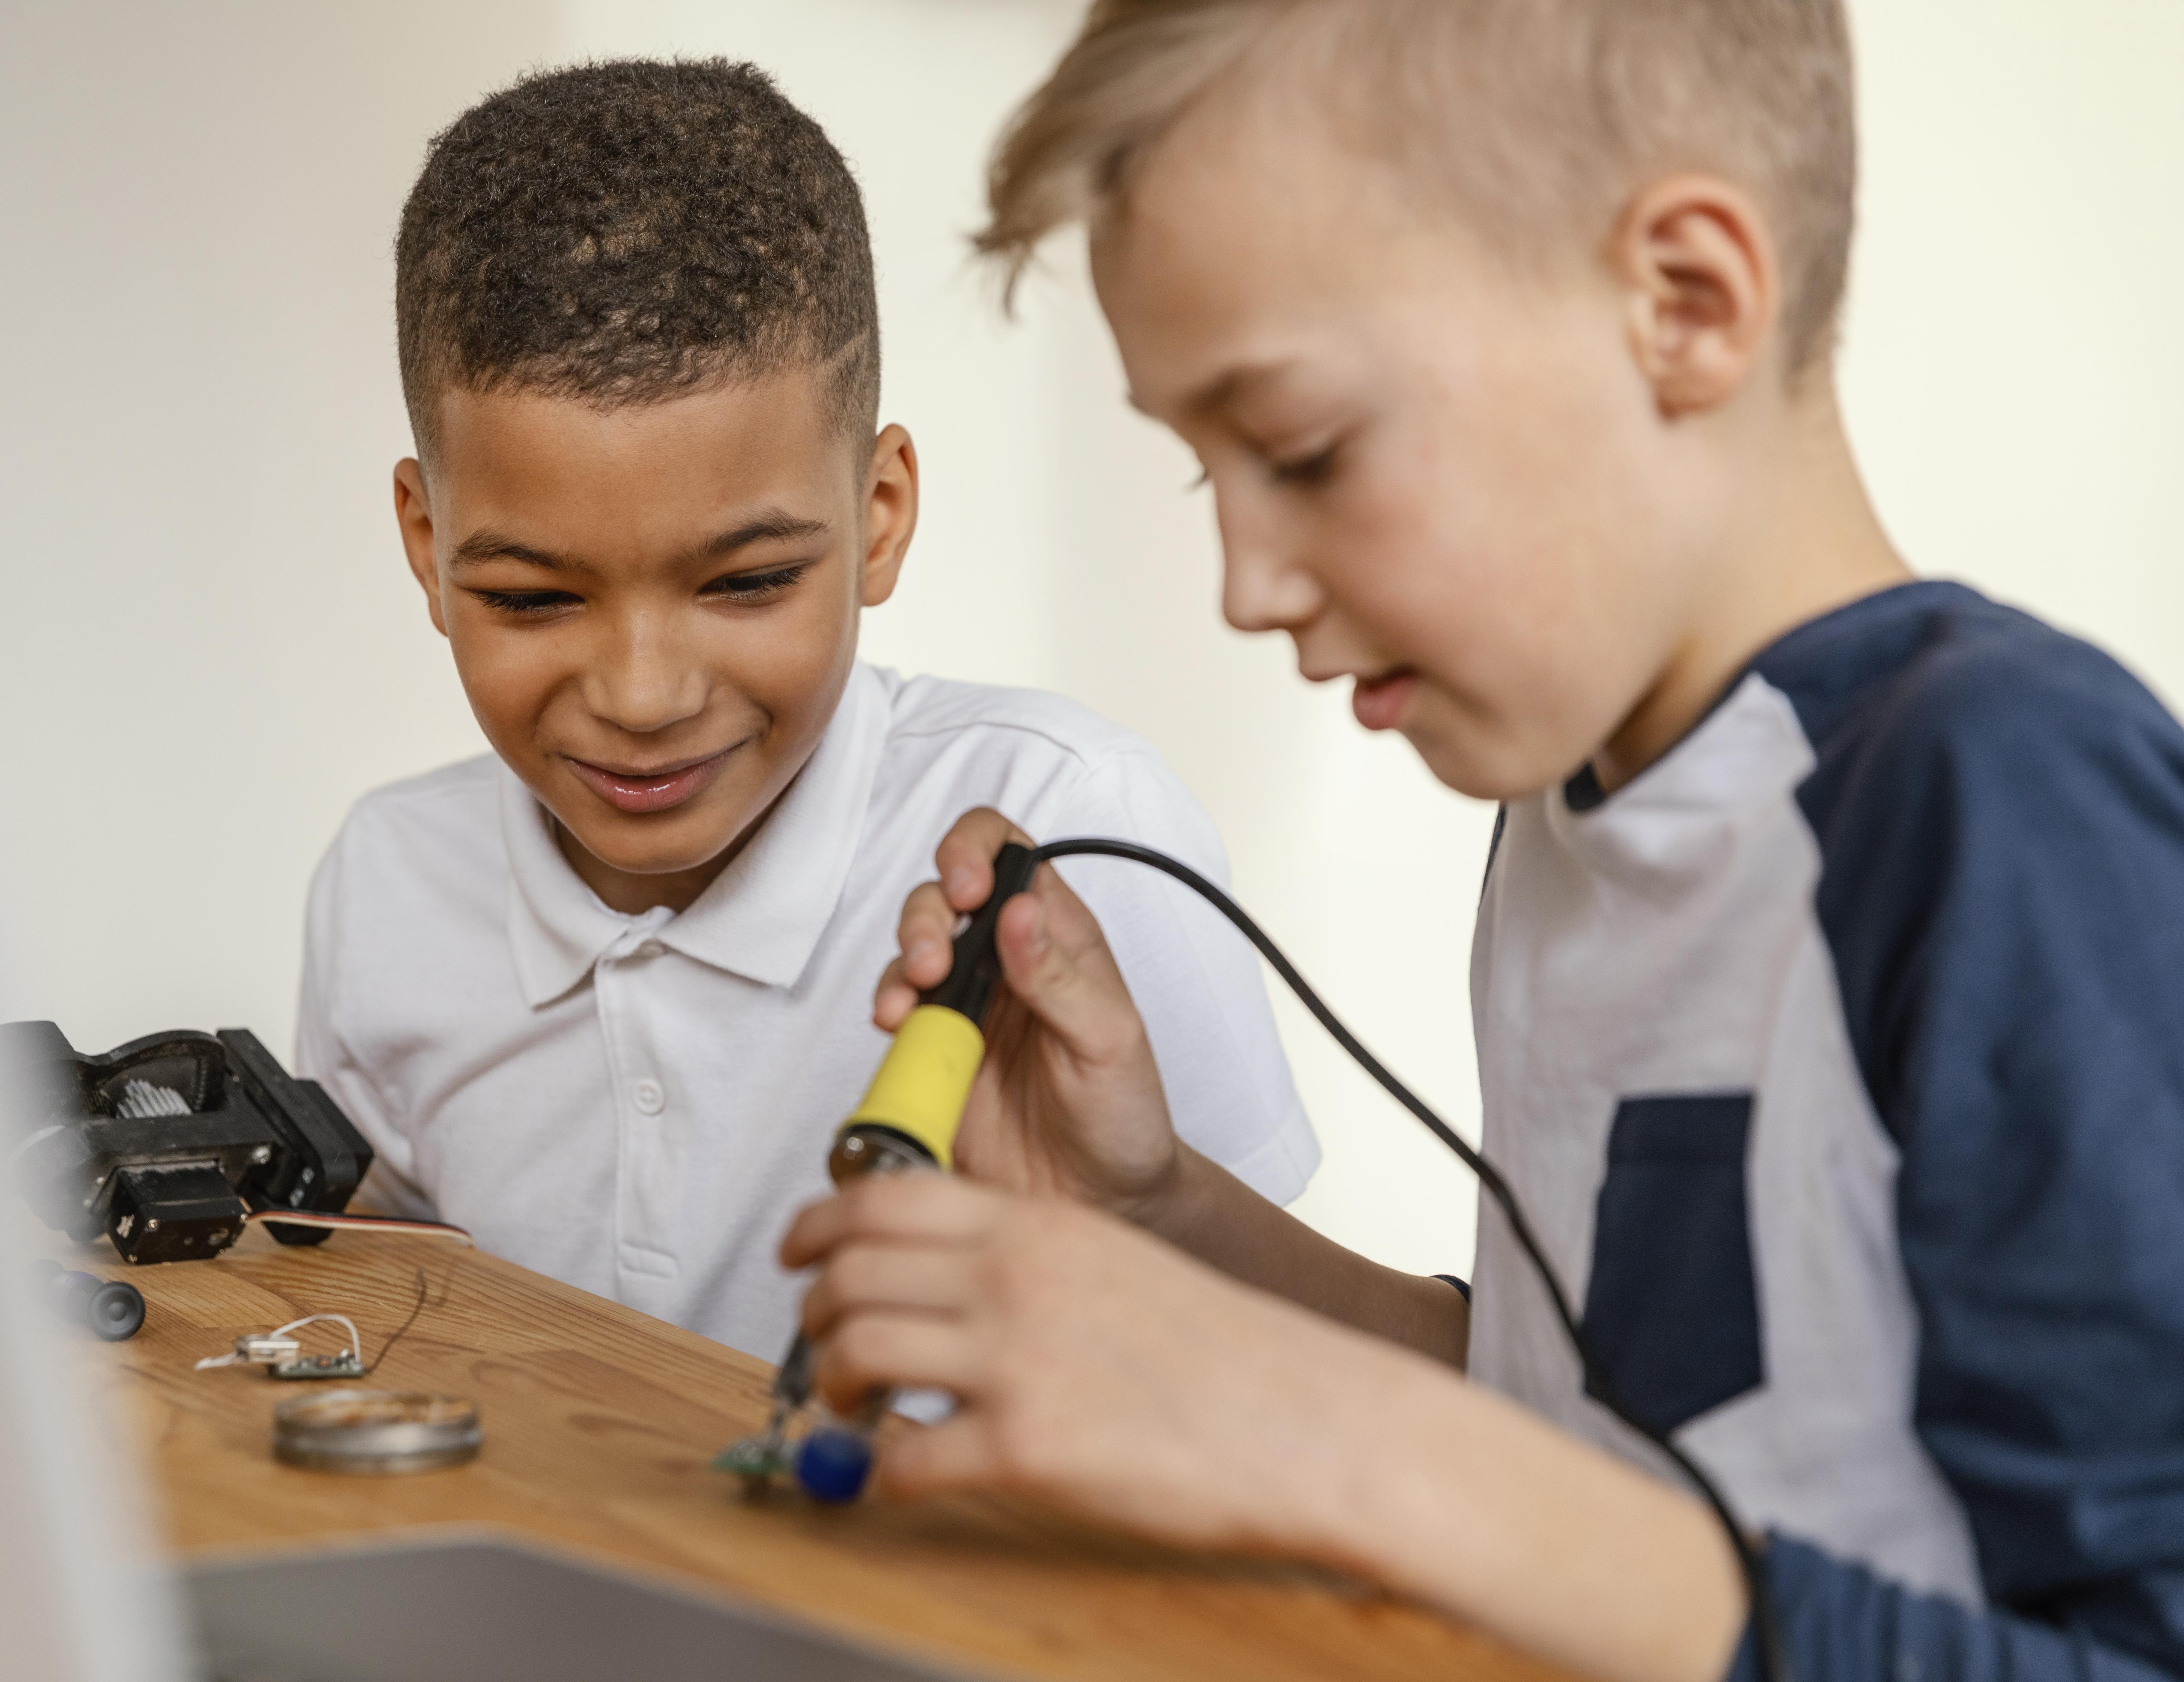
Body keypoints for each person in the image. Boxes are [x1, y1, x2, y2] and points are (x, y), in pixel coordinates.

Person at [780, 5, 2184, 1681]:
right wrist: (1157, 1211)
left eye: (1303, 449)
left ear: (1684, 304)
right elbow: (1592, 1446)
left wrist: (1333, 1447)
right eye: (1201, 475)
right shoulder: (1571, 790)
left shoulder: (2002, 802)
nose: (1246, 586)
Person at [294, 59, 1319, 1359]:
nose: (644, 697)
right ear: (425, 542)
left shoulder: (1068, 829)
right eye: (535, 598)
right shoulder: (384, 883)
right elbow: (391, 1304)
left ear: (879, 515)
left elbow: (1270, 1360)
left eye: (751, 581)